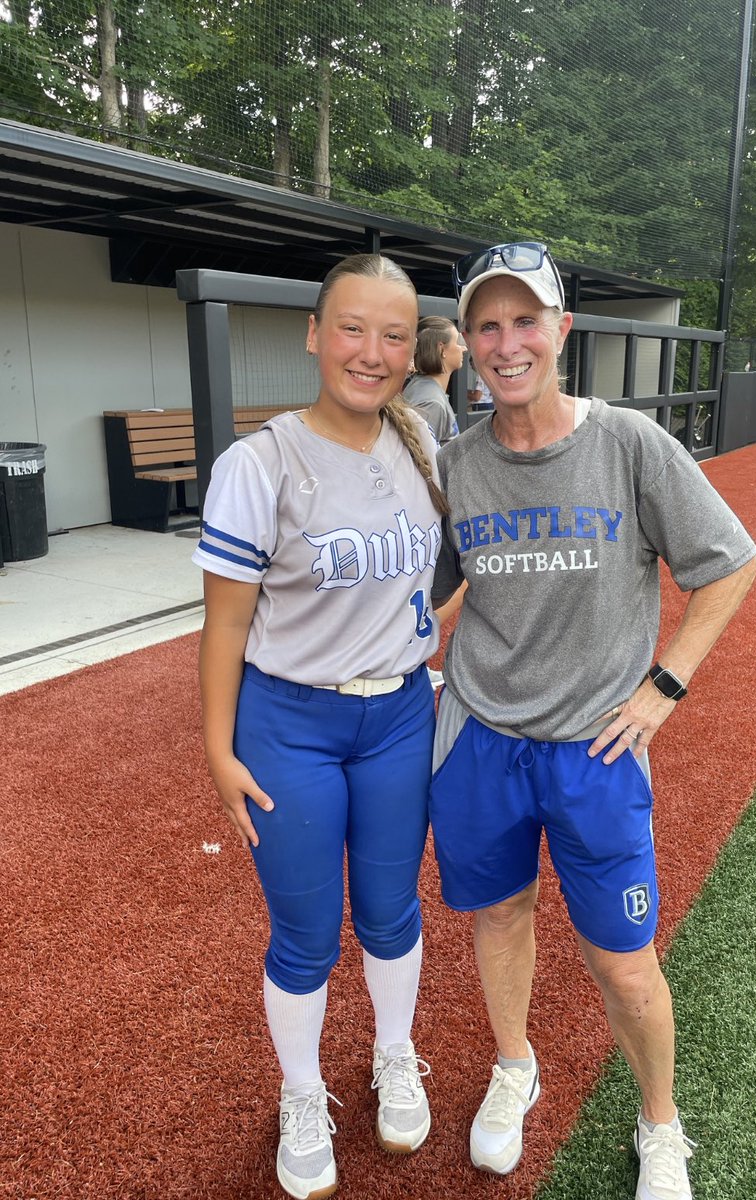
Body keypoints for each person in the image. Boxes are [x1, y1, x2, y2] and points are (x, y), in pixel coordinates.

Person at [429, 241, 756, 1200]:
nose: (505, 342)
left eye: (524, 320)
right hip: (481, 738)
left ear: (560, 331)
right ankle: (514, 1066)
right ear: (469, 343)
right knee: (499, 912)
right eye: (487, 326)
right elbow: (441, 593)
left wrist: (665, 685)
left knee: (623, 964)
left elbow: (729, 562)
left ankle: (661, 1122)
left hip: (596, 749)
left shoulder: (627, 445)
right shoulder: (457, 462)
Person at [193, 253, 449, 1200]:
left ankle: (393, 1053)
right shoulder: (258, 463)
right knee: (305, 931)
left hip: (395, 716)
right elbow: (224, 622)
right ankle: (302, 1094)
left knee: (390, 911)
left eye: (392, 334)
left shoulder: (418, 437)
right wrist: (218, 749)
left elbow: (429, 572)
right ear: (313, 333)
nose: (371, 352)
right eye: (351, 328)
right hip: (288, 722)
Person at [402, 315, 464, 445]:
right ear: (441, 349)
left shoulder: (421, 386)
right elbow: (418, 458)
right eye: (458, 342)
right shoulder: (431, 403)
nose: (464, 348)